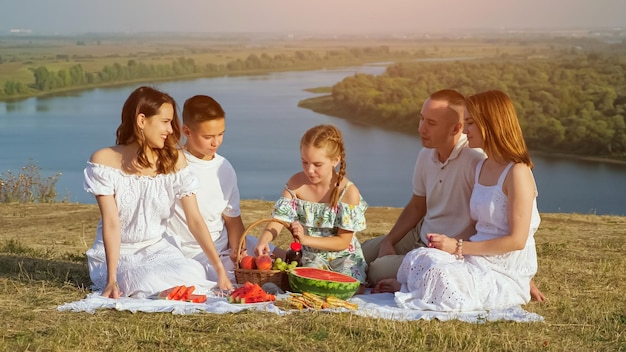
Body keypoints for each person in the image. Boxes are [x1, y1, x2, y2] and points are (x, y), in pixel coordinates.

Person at [363, 89, 545, 302]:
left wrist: (522, 277)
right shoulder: (482, 167)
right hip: (441, 242)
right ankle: (406, 280)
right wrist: (390, 240)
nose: (466, 131)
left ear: (491, 124)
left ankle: (405, 283)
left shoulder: (494, 165)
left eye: (471, 123)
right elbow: (418, 206)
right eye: (421, 119)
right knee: (364, 253)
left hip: (464, 251)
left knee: (381, 270)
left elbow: (517, 238)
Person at [84, 86, 233, 299]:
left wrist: (219, 269)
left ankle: (166, 290)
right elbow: (111, 223)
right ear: (142, 120)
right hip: (120, 254)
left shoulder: (174, 160)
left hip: (158, 249)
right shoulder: (103, 161)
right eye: (165, 122)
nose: (171, 130)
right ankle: (142, 286)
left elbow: (195, 220)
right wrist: (111, 280)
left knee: (194, 271)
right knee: (144, 280)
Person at [167, 94, 279, 282]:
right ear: (186, 131)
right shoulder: (174, 164)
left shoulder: (224, 168)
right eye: (208, 137)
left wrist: (238, 250)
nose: (216, 142)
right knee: (193, 275)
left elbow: (232, 220)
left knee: (266, 251)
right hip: (189, 252)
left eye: (221, 134)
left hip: (224, 248)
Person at [254, 124, 368, 288]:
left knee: (342, 283)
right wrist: (263, 240)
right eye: (304, 162)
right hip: (310, 256)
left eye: (317, 164)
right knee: (312, 281)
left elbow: (343, 242)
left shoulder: (349, 192)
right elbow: (279, 219)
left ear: (335, 161)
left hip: (344, 257)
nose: (310, 170)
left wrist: (306, 239)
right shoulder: (295, 184)